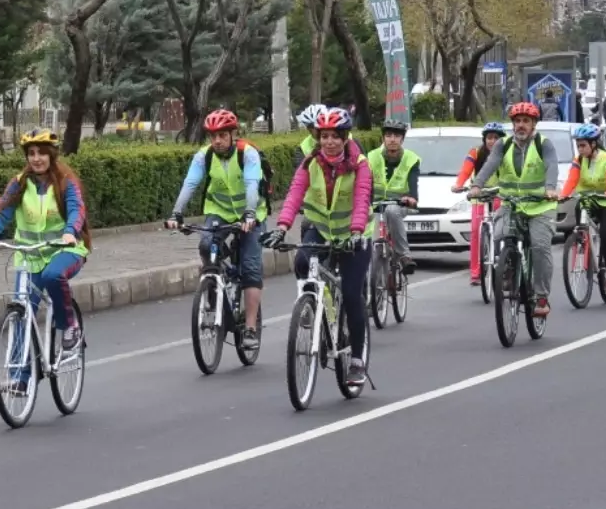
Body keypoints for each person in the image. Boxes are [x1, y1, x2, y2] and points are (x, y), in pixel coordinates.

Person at [264, 107, 373, 385]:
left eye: (335, 136)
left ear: (345, 137)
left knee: (350, 293)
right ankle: (312, 305)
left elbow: (361, 200)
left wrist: (357, 231)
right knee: (302, 261)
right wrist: (282, 227)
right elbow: (293, 196)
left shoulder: (359, 164)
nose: (329, 142)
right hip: (322, 231)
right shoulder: (309, 163)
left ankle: (357, 361)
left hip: (354, 236)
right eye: (324, 136)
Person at [0, 128, 91, 372]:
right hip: (29, 256)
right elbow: (2, 210)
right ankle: (20, 377)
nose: (36, 158)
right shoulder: (19, 183)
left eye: (41, 153)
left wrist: (70, 231)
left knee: (52, 276)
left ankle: (69, 326)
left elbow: (76, 209)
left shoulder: (65, 181)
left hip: (66, 250)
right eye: (31, 153)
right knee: (21, 314)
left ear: (52, 155)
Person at [164, 109, 267, 350]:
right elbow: (190, 183)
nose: (217, 141)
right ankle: (212, 285)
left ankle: (250, 327)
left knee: (251, 269)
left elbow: (252, 184)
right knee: (205, 245)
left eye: (222, 135)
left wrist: (250, 214)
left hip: (250, 215)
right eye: (213, 136)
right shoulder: (204, 156)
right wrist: (176, 214)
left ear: (233, 134)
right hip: (218, 211)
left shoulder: (248, 154)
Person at [469, 102, 559, 318]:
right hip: (511, 204)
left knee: (539, 246)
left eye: (526, 121)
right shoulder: (503, 144)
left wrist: (550, 188)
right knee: (499, 235)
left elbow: (552, 165)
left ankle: (541, 296)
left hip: (540, 205)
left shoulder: (544, 144)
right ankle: (509, 271)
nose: (521, 126)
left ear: (534, 124)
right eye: (517, 121)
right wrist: (477, 185)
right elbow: (490, 164)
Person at [560, 123, 606, 292]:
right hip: (589, 199)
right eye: (578, 146)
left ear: (593, 144)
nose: (580, 149)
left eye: (583, 145)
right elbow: (572, 180)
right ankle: (581, 241)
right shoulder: (578, 161)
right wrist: (563, 195)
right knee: (580, 217)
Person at [453, 122, 506, 286]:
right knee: (476, 231)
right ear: (484, 139)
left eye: (496, 138)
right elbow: (465, 171)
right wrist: (459, 184)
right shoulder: (475, 152)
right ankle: (476, 273)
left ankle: (505, 267)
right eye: (489, 138)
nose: (492, 141)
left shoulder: (506, 153)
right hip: (479, 195)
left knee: (503, 230)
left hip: (500, 194)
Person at [367, 119, 420, 274]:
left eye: (396, 136)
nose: (392, 139)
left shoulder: (411, 159)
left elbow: (413, 182)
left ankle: (404, 255)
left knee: (391, 210)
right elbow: (364, 181)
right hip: (374, 203)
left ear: (402, 139)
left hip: (400, 204)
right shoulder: (371, 157)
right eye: (388, 135)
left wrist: (411, 198)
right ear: (383, 138)